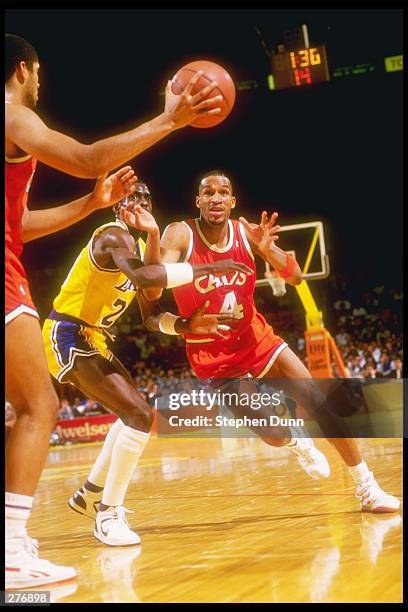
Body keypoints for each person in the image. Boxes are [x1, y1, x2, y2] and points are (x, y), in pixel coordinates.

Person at [5, 31, 223, 588]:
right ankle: (26, 543)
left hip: (82, 329)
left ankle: (62, 515)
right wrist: (170, 120)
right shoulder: (11, 113)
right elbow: (85, 158)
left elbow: (18, 226)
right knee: (39, 407)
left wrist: (90, 201)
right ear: (24, 70)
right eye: (38, 73)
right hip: (63, 327)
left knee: (56, 408)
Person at [138, 170, 399, 514]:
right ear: (198, 201)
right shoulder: (180, 233)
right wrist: (155, 238)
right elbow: (153, 292)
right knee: (274, 436)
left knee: (318, 399)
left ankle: (367, 486)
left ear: (232, 202)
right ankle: (295, 440)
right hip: (214, 356)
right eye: (208, 192)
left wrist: (269, 251)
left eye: (223, 192)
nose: (215, 197)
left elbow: (295, 276)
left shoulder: (245, 232)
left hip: (256, 339)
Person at [42, 186, 251, 546]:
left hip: (92, 337)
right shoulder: (112, 237)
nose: (139, 203)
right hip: (68, 333)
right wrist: (211, 265)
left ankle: (91, 492)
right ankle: (107, 515)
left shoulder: (138, 248)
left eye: (145, 199)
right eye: (130, 199)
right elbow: (145, 279)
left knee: (133, 415)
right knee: (140, 416)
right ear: (118, 208)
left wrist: (183, 325)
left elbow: (151, 310)